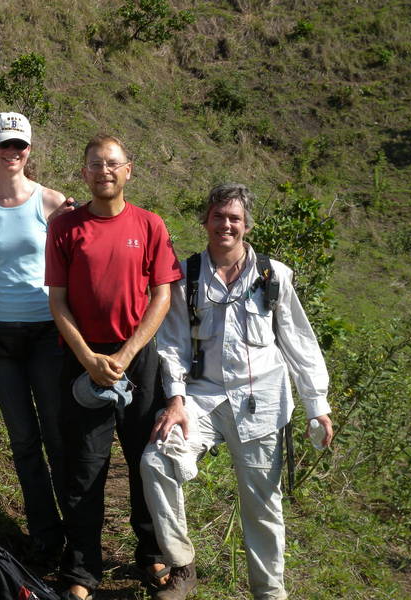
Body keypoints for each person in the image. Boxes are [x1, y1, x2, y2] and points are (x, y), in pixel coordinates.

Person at [141, 183, 334, 599]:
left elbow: (299, 341)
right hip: (203, 398)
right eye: (218, 216)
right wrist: (175, 400)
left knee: (263, 507)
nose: (225, 225)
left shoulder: (273, 275)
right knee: (156, 461)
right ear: (205, 220)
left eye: (234, 218)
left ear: (246, 225)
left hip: (261, 402)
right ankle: (181, 564)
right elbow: (172, 342)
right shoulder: (188, 275)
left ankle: (269, 593)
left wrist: (317, 404)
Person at [45, 134, 183, 600]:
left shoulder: (149, 225)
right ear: (83, 172)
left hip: (137, 358)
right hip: (82, 357)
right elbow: (57, 300)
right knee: (84, 467)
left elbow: (162, 294)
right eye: (94, 164)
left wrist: (125, 355)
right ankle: (82, 569)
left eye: (113, 163)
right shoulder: (65, 228)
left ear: (129, 170)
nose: (104, 170)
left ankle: (152, 553)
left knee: (146, 461)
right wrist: (87, 356)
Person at [0, 112, 69, 557]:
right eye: (4, 144)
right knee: (24, 440)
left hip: (48, 332)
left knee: (57, 433)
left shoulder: (52, 202)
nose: (12, 153)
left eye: (20, 145)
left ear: (30, 150)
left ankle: (78, 534)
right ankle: (45, 537)